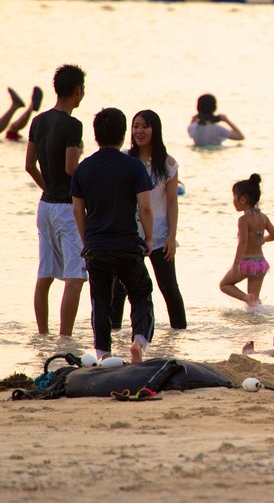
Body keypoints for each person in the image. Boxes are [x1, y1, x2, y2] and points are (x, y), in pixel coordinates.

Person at [70, 107, 155, 362]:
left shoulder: (83, 169)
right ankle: (138, 342)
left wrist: (87, 241)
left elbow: (77, 210)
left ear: (96, 135)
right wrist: (149, 239)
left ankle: (104, 354)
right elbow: (146, 207)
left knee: (101, 301)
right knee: (141, 294)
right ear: (122, 135)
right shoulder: (134, 166)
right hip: (128, 245)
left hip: (97, 246)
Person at [109, 110, 187, 330]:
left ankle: (180, 337)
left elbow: (172, 203)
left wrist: (172, 236)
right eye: (135, 126)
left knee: (169, 288)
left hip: (160, 235)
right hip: (129, 234)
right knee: (119, 291)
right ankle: (114, 339)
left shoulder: (168, 164)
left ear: (155, 130)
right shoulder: (124, 158)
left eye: (145, 126)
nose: (139, 131)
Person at [24, 64, 87, 337]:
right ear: (77, 91)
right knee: (75, 276)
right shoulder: (73, 125)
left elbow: (29, 165)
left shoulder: (38, 121)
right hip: (65, 208)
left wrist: (47, 187)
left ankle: (43, 335)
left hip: (45, 205)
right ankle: (65, 339)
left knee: (45, 273)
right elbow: (72, 168)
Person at [220, 174, 274, 309]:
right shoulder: (263, 217)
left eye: (234, 196)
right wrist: (262, 239)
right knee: (255, 304)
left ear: (242, 200)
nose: (232, 200)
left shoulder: (243, 220)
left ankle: (246, 298)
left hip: (247, 264)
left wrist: (236, 264)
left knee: (224, 285)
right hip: (261, 264)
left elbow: (243, 243)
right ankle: (256, 323)